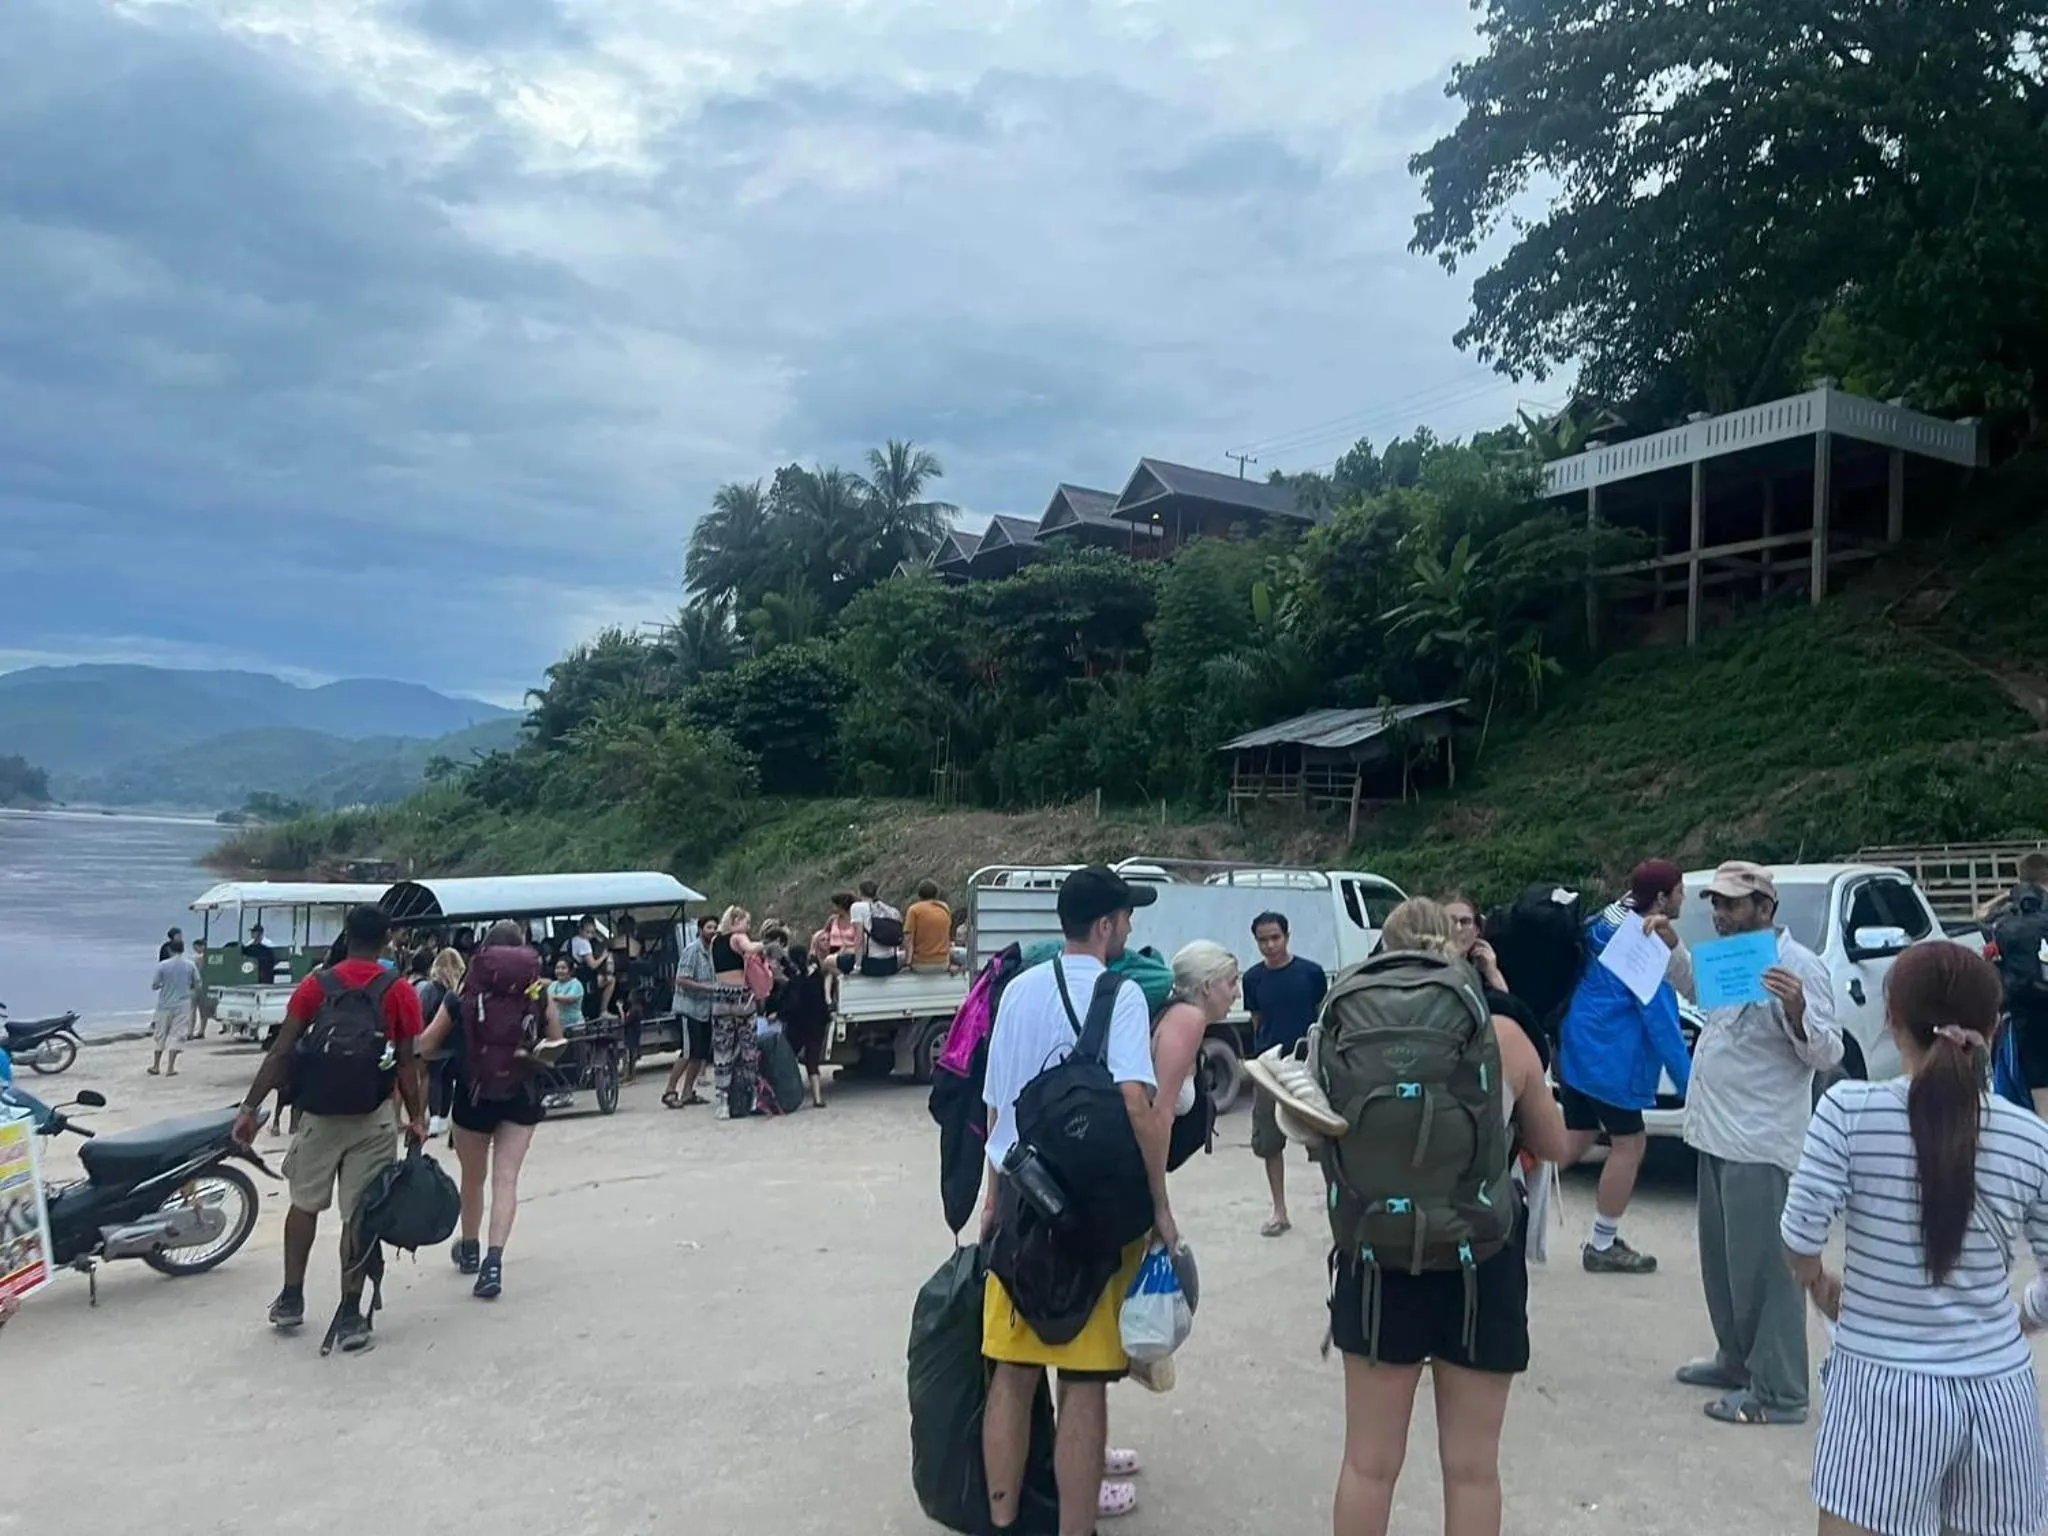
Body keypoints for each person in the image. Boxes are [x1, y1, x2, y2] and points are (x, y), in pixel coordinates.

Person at [1781, 941, 2048, 1536]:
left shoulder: (1847, 1113)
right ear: (1995, 1027)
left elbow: (1800, 1232)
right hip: (1998, 1396)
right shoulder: (2031, 1138)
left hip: (1882, 1391)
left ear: (1890, 1017)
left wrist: (1821, 1284)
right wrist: (2020, 1318)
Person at [1328, 898, 1572, 1536]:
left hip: (1377, 1254)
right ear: (1460, 946)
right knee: (1471, 1469)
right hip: (1480, 1259)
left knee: (1368, 1464)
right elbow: (1551, 1145)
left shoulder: (1348, 1027)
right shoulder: (1507, 1033)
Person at [980, 866, 1175, 1536]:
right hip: (1090, 1215)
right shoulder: (1120, 994)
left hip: (1016, 1205)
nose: (1129, 929)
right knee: (1084, 1381)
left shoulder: (1017, 990)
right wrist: (1161, 1206)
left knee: (1011, 1371)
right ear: (1104, 925)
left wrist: (989, 1204)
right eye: (1125, 918)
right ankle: (1074, 1530)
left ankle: (1003, 1521)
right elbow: (1136, 1103)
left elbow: (996, 1107)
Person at [1675, 860, 1840, 1427]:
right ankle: (1736, 1360)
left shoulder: (1799, 966)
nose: (1720, 914)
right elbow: (1696, 990)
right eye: (1716, 905)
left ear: (1765, 910)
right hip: (1716, 1133)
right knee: (1723, 1264)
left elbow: (1826, 1054)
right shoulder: (1729, 960)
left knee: (1767, 1270)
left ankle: (1780, 1390)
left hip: (1762, 1140)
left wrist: (1796, 1009)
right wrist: (1669, 949)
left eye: (1732, 905)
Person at [231, 904, 427, 1353]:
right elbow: (405, 1062)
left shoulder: (316, 986)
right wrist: (415, 1118)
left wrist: (250, 1107)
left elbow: (282, 1051)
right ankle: (353, 1314)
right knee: (358, 1214)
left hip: (317, 1115)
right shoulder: (397, 990)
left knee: (304, 1205)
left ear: (346, 935)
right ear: (388, 939)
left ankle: (291, 1297)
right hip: (373, 1117)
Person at [1553, 858, 1695, 1275]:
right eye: (1680, 890)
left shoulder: (1603, 922)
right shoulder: (1643, 940)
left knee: (1577, 1137)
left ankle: (1505, 1188)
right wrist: (1692, 1085)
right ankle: (1602, 1242)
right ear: (1663, 898)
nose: (1684, 897)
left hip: (1574, 1048)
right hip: (1609, 1057)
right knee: (1629, 1144)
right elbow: (1662, 1021)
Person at [418, 920, 565, 1301]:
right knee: (506, 1180)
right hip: (522, 1093)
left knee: (473, 1177)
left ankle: (469, 1247)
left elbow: (427, 1045)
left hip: (474, 1093)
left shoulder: (462, 996)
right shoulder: (538, 992)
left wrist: (453, 1055)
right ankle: (493, 1263)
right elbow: (555, 1040)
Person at [1242, 911, 1328, 1238]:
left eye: (1275, 938)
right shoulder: (1252, 979)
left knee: (1323, 1141)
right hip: (1269, 1067)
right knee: (1269, 1141)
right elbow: (1256, 1022)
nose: (1270, 945)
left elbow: (1323, 1019)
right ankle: (1279, 1211)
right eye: (1263, 940)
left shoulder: (1311, 973)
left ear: (1287, 936)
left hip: (1307, 1066)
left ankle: (1336, 1206)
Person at [710, 906, 765, 1121]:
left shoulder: (715, 941)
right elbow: (751, 948)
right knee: (748, 1047)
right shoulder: (737, 937)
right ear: (735, 920)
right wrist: (767, 944)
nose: (748, 927)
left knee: (722, 1050)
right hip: (741, 998)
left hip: (720, 997)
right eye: (746, 922)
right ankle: (752, 1097)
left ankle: (723, 1101)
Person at [664, 915, 720, 1109]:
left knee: (700, 1053)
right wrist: (707, 988)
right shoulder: (692, 951)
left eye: (715, 927)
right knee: (687, 1052)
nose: (713, 931)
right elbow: (681, 979)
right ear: (700, 929)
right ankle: (670, 1090)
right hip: (689, 1009)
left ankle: (688, 1091)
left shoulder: (713, 952)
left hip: (705, 1010)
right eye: (709, 927)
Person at [776, 934, 833, 1109]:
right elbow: (823, 1001)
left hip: (797, 1025)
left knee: (787, 1057)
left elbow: (789, 1005)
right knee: (812, 1062)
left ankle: (785, 1092)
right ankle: (817, 1098)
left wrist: (778, 1014)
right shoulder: (817, 977)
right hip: (816, 1025)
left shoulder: (794, 981)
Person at [416, 946, 467, 1138]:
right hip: (454, 1042)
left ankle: (435, 1117)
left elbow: (422, 1011)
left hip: (434, 1039)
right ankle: (445, 1117)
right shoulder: (459, 990)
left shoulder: (430, 988)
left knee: (434, 1077)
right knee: (448, 1080)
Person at [148, 938, 201, 1077]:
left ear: (170, 950)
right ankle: (170, 1067)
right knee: (178, 1034)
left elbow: (154, 985)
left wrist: (164, 985)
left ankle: (156, 1065)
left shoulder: (162, 965)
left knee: (160, 1034)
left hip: (164, 1004)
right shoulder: (190, 965)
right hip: (183, 1004)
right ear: (183, 950)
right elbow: (197, 983)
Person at [846, 879, 904, 979]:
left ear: (859, 892)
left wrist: (857, 966)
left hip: (872, 964)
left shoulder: (857, 907)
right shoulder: (891, 910)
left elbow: (859, 939)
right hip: (891, 964)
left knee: (829, 962)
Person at [905, 880, 954, 972]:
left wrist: (908, 964)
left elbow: (908, 939)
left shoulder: (914, 910)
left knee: (897, 958)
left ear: (919, 894)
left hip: (921, 964)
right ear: (936, 894)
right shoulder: (944, 907)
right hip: (943, 963)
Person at [548, 957, 586, 1031]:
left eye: (563, 968)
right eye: (557, 968)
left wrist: (552, 998)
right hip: (558, 1025)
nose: (560, 971)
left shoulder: (576, 984)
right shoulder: (553, 984)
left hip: (575, 1025)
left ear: (571, 971)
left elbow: (569, 999)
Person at [189, 939, 213, 1039]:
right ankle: (201, 1030)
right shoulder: (210, 957)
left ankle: (190, 1031)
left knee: (192, 1010)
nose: (195, 949)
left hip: (196, 986)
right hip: (205, 986)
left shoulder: (198, 958)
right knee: (203, 1011)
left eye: (195, 947)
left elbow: (194, 973)